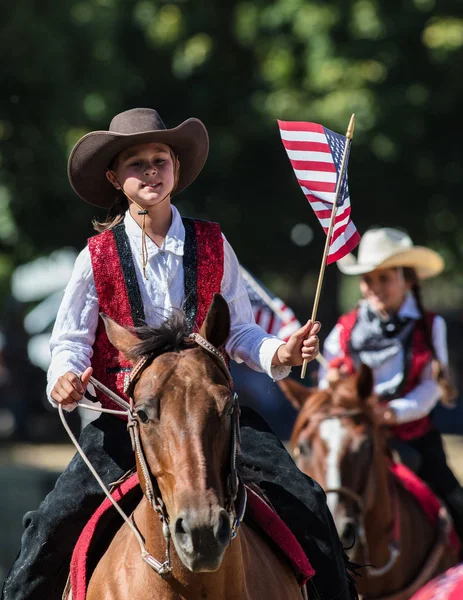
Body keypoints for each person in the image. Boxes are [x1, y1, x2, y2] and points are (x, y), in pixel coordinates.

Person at [2, 108, 356, 600]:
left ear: (175, 170)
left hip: (212, 416)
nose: (151, 171)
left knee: (307, 499)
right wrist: (63, 376)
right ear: (114, 177)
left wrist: (282, 350)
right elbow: (68, 343)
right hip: (127, 420)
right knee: (48, 525)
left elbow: (243, 333)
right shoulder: (96, 256)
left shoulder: (213, 242)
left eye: (160, 159)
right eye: (137, 163)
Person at [319, 226, 463, 542]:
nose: (374, 287)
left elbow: (431, 387)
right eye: (368, 279)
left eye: (385, 278)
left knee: (456, 505)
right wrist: (331, 383)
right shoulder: (347, 327)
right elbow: (325, 375)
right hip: (357, 438)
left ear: (407, 279)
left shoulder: (430, 325)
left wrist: (391, 414)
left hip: (413, 438)